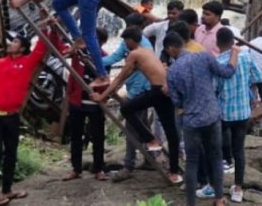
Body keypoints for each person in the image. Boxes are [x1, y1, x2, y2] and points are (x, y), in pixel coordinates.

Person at [0, 25, 62, 206]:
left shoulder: (27, 63)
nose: (11, 43)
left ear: (22, 48)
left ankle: (8, 190)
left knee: (11, 153)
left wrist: (46, 27)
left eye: (15, 42)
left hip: (12, 116)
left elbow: (40, 48)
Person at [92, 28, 182, 183]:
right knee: (171, 133)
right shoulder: (147, 50)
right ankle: (174, 172)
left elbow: (120, 77)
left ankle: (150, 139)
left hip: (156, 91)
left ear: (131, 41)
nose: (125, 45)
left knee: (126, 109)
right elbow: (131, 74)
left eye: (125, 41)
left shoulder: (134, 54)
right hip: (166, 91)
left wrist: (101, 96)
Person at [164, 31, 237, 206]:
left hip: (191, 120)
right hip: (212, 115)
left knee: (192, 161)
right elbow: (227, 72)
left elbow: (176, 101)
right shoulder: (204, 57)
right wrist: (234, 53)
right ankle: (219, 199)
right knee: (215, 156)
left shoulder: (172, 70)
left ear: (171, 48)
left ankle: (191, 203)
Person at [101, 15, 152, 182]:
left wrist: (96, 60)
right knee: (144, 127)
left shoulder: (137, 47)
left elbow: (119, 70)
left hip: (139, 89)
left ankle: (128, 166)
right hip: (143, 89)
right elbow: (115, 59)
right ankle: (149, 159)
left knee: (132, 128)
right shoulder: (138, 42)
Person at [215, 27, 262, 203]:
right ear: (233, 42)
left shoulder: (218, 61)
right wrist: (244, 82)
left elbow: (214, 88)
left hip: (224, 112)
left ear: (217, 43)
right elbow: (258, 77)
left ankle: (216, 184)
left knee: (218, 148)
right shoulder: (245, 56)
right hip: (243, 111)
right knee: (239, 150)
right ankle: (238, 189)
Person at [64, 27, 109, 182]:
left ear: (102, 42)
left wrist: (103, 97)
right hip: (77, 101)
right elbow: (62, 50)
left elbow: (106, 81)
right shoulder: (78, 54)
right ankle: (76, 168)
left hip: (96, 103)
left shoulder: (104, 58)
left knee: (98, 137)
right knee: (76, 136)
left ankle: (99, 168)